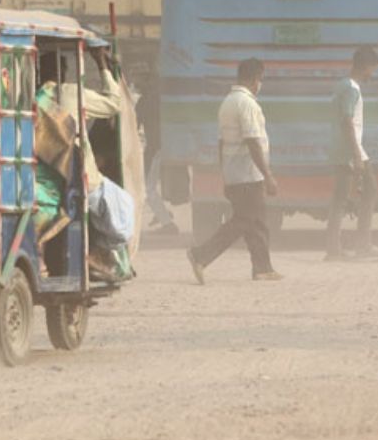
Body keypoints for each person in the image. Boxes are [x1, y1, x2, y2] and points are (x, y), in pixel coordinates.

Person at [187, 58, 283, 283]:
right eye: (260, 79)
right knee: (244, 220)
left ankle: (262, 268)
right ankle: (201, 255)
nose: (260, 84)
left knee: (257, 222)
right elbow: (252, 141)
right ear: (254, 79)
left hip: (235, 174)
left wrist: (225, 173)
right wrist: (268, 175)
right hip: (248, 174)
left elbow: (221, 143)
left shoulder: (228, 102)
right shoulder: (247, 104)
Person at [37, 48, 135, 267]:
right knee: (124, 206)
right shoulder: (70, 92)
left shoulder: (30, 101)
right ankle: (98, 253)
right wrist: (102, 65)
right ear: (62, 71)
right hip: (78, 179)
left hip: (43, 179)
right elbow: (113, 103)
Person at [325, 46, 378, 261]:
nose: (372, 74)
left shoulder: (342, 85)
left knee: (363, 192)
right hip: (349, 150)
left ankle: (352, 245)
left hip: (345, 148)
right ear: (365, 67)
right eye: (372, 69)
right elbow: (347, 121)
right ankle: (347, 248)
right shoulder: (352, 89)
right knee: (347, 197)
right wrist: (356, 154)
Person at [135, 76, 179, 234]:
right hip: (166, 147)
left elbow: (134, 125)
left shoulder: (144, 101)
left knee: (148, 189)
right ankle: (162, 214)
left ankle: (168, 224)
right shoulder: (163, 99)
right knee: (153, 185)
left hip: (155, 148)